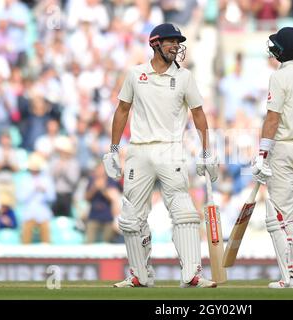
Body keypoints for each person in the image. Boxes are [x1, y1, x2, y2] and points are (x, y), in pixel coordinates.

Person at [102, 23, 219, 288]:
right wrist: (112, 150)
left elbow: (199, 114)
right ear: (155, 43)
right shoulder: (136, 74)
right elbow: (122, 110)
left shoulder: (185, 77)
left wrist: (206, 152)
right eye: (170, 41)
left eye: (178, 42)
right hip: (139, 151)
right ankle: (139, 275)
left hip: (171, 149)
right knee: (131, 216)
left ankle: (192, 274)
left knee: (184, 212)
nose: (176, 46)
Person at [251, 27, 293, 289]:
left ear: (285, 50)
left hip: (285, 148)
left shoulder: (279, 78)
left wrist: (261, 155)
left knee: (280, 214)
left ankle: (289, 277)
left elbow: (273, 118)